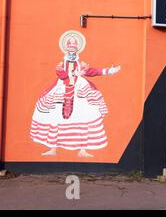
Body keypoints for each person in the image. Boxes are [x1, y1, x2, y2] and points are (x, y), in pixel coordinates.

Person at [30, 30, 120, 158]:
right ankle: (53, 148)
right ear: (66, 51)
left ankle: (82, 150)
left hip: (80, 91)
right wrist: (63, 71)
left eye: (74, 49)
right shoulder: (62, 64)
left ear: (77, 51)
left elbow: (93, 71)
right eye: (70, 49)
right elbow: (61, 75)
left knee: (85, 115)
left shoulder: (81, 65)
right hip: (62, 90)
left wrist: (109, 71)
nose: (72, 53)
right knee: (54, 117)